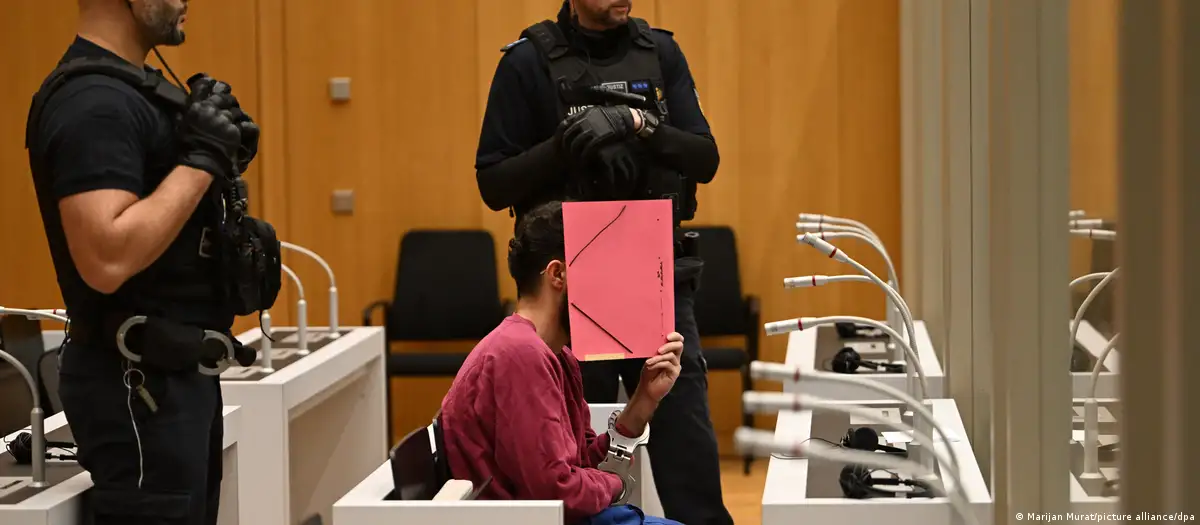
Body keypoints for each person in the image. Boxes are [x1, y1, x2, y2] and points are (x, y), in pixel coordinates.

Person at [474, 1, 731, 523]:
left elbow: (705, 158)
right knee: (567, 457)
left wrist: (637, 123)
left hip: (653, 280)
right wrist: (566, 146)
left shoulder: (659, 52)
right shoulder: (526, 62)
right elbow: (493, 184)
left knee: (689, 459)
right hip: (566, 290)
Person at [24, 1, 274, 524]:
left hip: (173, 379)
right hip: (137, 386)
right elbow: (106, 258)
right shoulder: (94, 103)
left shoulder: (135, 92)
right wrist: (202, 160)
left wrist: (217, 157)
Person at [440, 201, 686, 525]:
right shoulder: (519, 355)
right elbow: (559, 491)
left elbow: (580, 463)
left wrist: (644, 399)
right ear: (558, 274)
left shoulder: (553, 353)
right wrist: (616, 483)